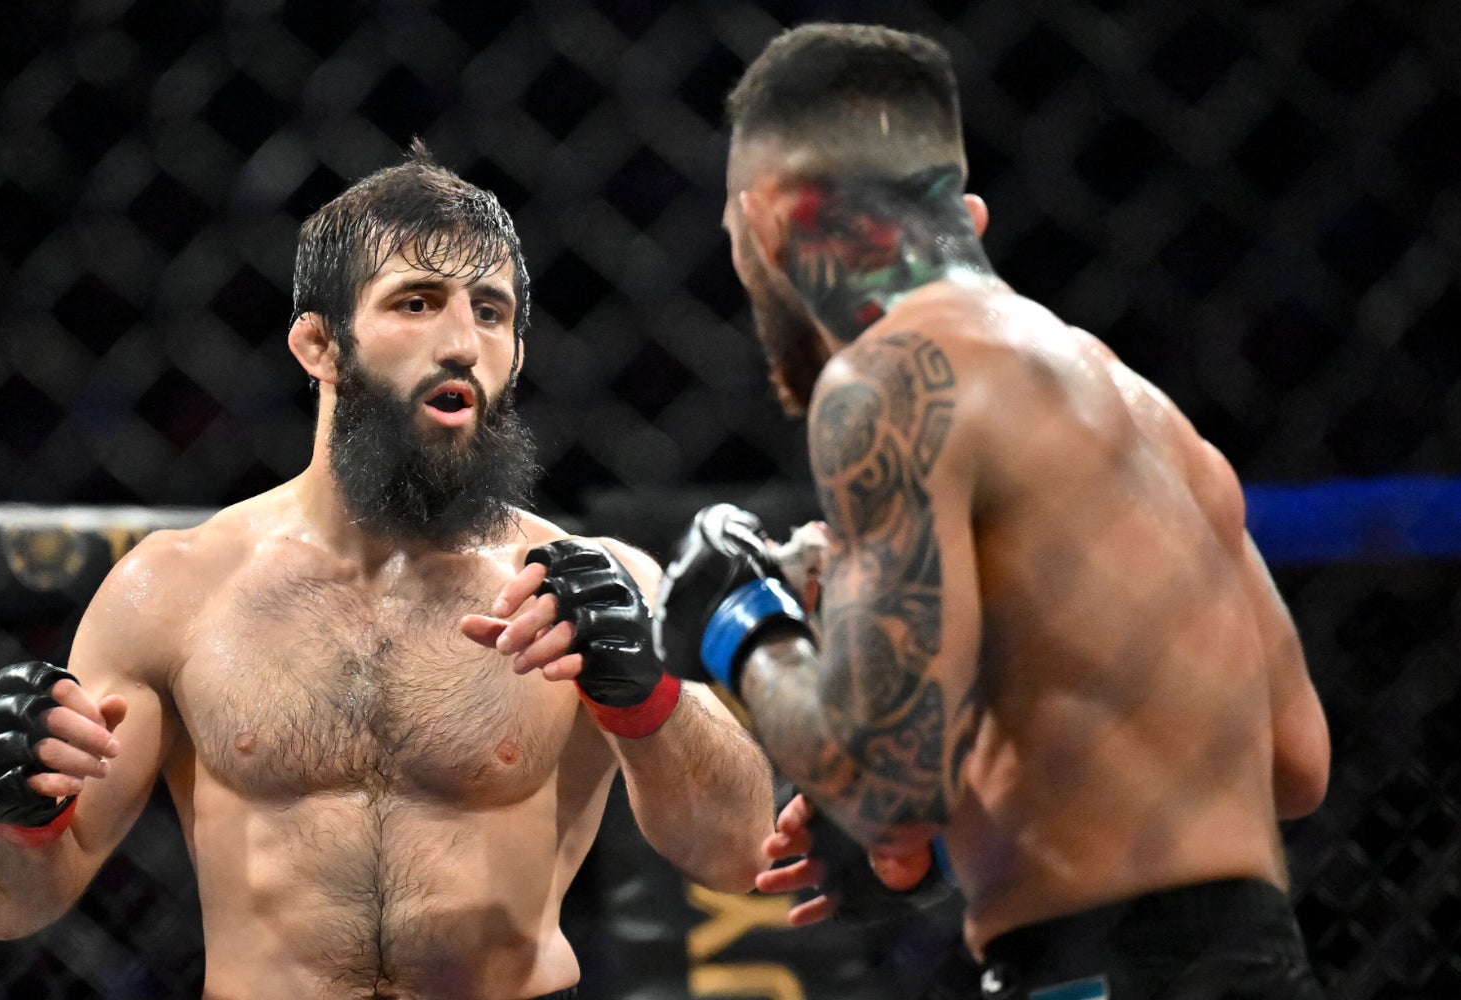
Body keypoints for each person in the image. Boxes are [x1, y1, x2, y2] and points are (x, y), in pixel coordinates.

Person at [489, 23, 1331, 1000]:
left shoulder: (889, 377)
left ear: (772, 224)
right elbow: (1292, 761)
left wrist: (739, 622)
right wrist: (962, 832)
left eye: (733, 238)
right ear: (960, 212)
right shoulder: (1148, 414)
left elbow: (882, 787)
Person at [0, 147, 774, 1000]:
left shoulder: (589, 587)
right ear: (319, 344)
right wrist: (11, 814)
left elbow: (740, 854)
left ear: (517, 355)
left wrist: (648, 698)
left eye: (491, 314)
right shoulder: (177, 589)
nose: (461, 342)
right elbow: (8, 908)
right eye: (416, 303)